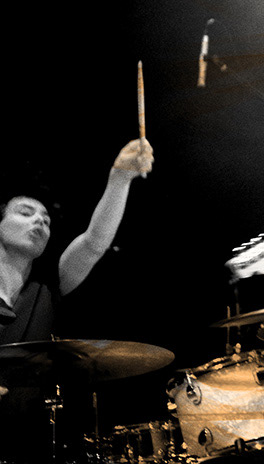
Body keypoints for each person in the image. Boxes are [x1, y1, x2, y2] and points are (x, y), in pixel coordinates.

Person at [0, 138, 153, 462]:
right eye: (26, 213)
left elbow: (94, 242)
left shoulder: (48, 285)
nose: (39, 221)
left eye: (46, 219)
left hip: (28, 447)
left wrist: (119, 179)